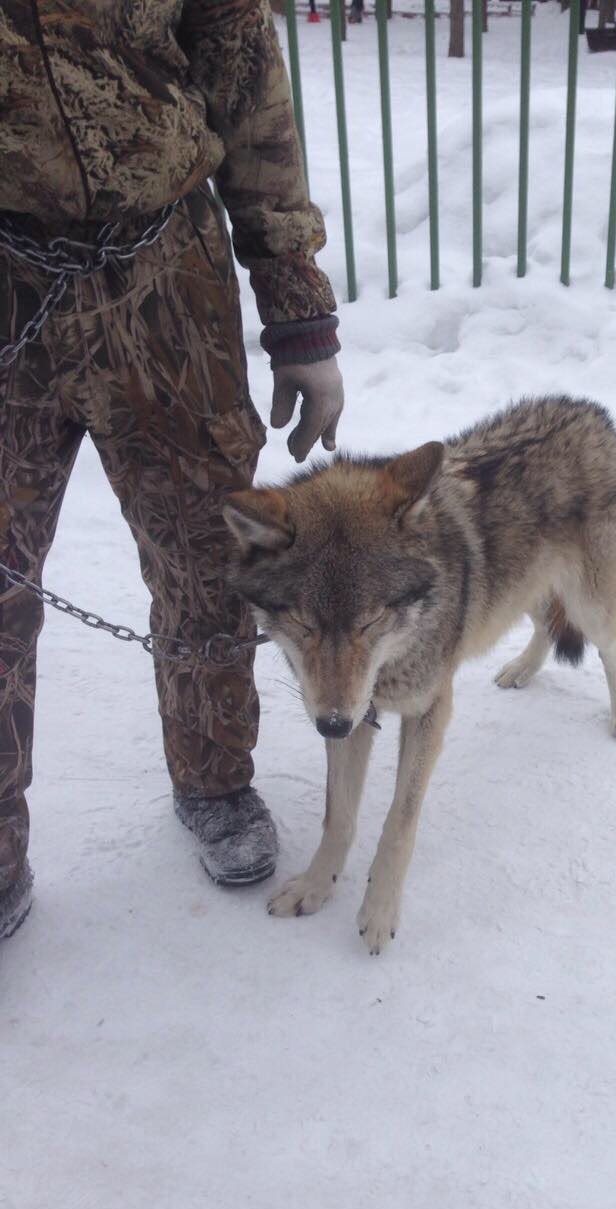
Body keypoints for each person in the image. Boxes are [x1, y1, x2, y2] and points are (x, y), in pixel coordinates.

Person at [0, 0, 344, 938]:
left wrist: (297, 308)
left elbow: (245, 81)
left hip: (162, 274)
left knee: (208, 554)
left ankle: (216, 779)